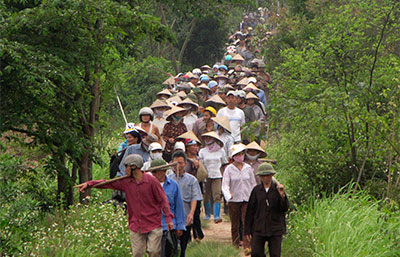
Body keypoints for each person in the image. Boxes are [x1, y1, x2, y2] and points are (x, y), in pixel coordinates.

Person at [76, 154, 174, 257]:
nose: (125, 170)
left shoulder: (151, 181)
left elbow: (163, 199)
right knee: (137, 254)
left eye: (126, 167)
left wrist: (168, 217)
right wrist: (89, 184)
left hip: (153, 223)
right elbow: (107, 183)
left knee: (153, 251)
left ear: (134, 167)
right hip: (136, 224)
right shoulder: (126, 182)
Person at [244, 163, 289, 257]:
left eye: (268, 175)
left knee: (275, 254)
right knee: (256, 252)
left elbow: (284, 208)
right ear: (260, 177)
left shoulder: (278, 190)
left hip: (275, 227)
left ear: (272, 176)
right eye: (263, 176)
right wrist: (247, 230)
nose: (265, 178)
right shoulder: (256, 190)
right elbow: (250, 211)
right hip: (259, 226)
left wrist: (282, 196)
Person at [222, 144, 256, 252]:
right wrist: (228, 196)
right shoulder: (229, 169)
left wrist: (254, 198)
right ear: (233, 156)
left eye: (241, 154)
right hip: (234, 199)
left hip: (247, 199)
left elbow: (252, 183)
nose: (240, 156)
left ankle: (247, 246)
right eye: (238, 154)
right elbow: (225, 185)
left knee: (246, 222)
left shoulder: (248, 168)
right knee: (235, 223)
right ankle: (235, 245)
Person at [168, 151, 203, 257]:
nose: (178, 166)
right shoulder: (168, 179)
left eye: (180, 163)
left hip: (185, 217)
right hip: (171, 218)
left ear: (185, 164)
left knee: (183, 246)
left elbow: (195, 198)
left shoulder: (192, 180)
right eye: (175, 163)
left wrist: (191, 214)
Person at [150, 159, 186, 257]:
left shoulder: (174, 186)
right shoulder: (148, 186)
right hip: (153, 226)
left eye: (155, 172)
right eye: (152, 172)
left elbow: (179, 206)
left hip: (169, 226)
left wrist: (180, 226)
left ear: (163, 171)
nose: (153, 174)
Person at [199, 131, 228, 223]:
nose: (207, 140)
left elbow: (224, 163)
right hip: (206, 176)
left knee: (217, 195)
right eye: (206, 138)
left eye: (209, 138)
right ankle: (207, 214)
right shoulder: (202, 151)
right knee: (206, 196)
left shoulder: (221, 151)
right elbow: (201, 164)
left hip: (217, 176)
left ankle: (216, 215)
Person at [184, 138, 206, 242]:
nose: (195, 148)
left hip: (196, 186)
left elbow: (202, 175)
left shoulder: (199, 158)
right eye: (192, 146)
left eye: (196, 146)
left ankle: (198, 234)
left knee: (196, 212)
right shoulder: (183, 160)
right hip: (185, 187)